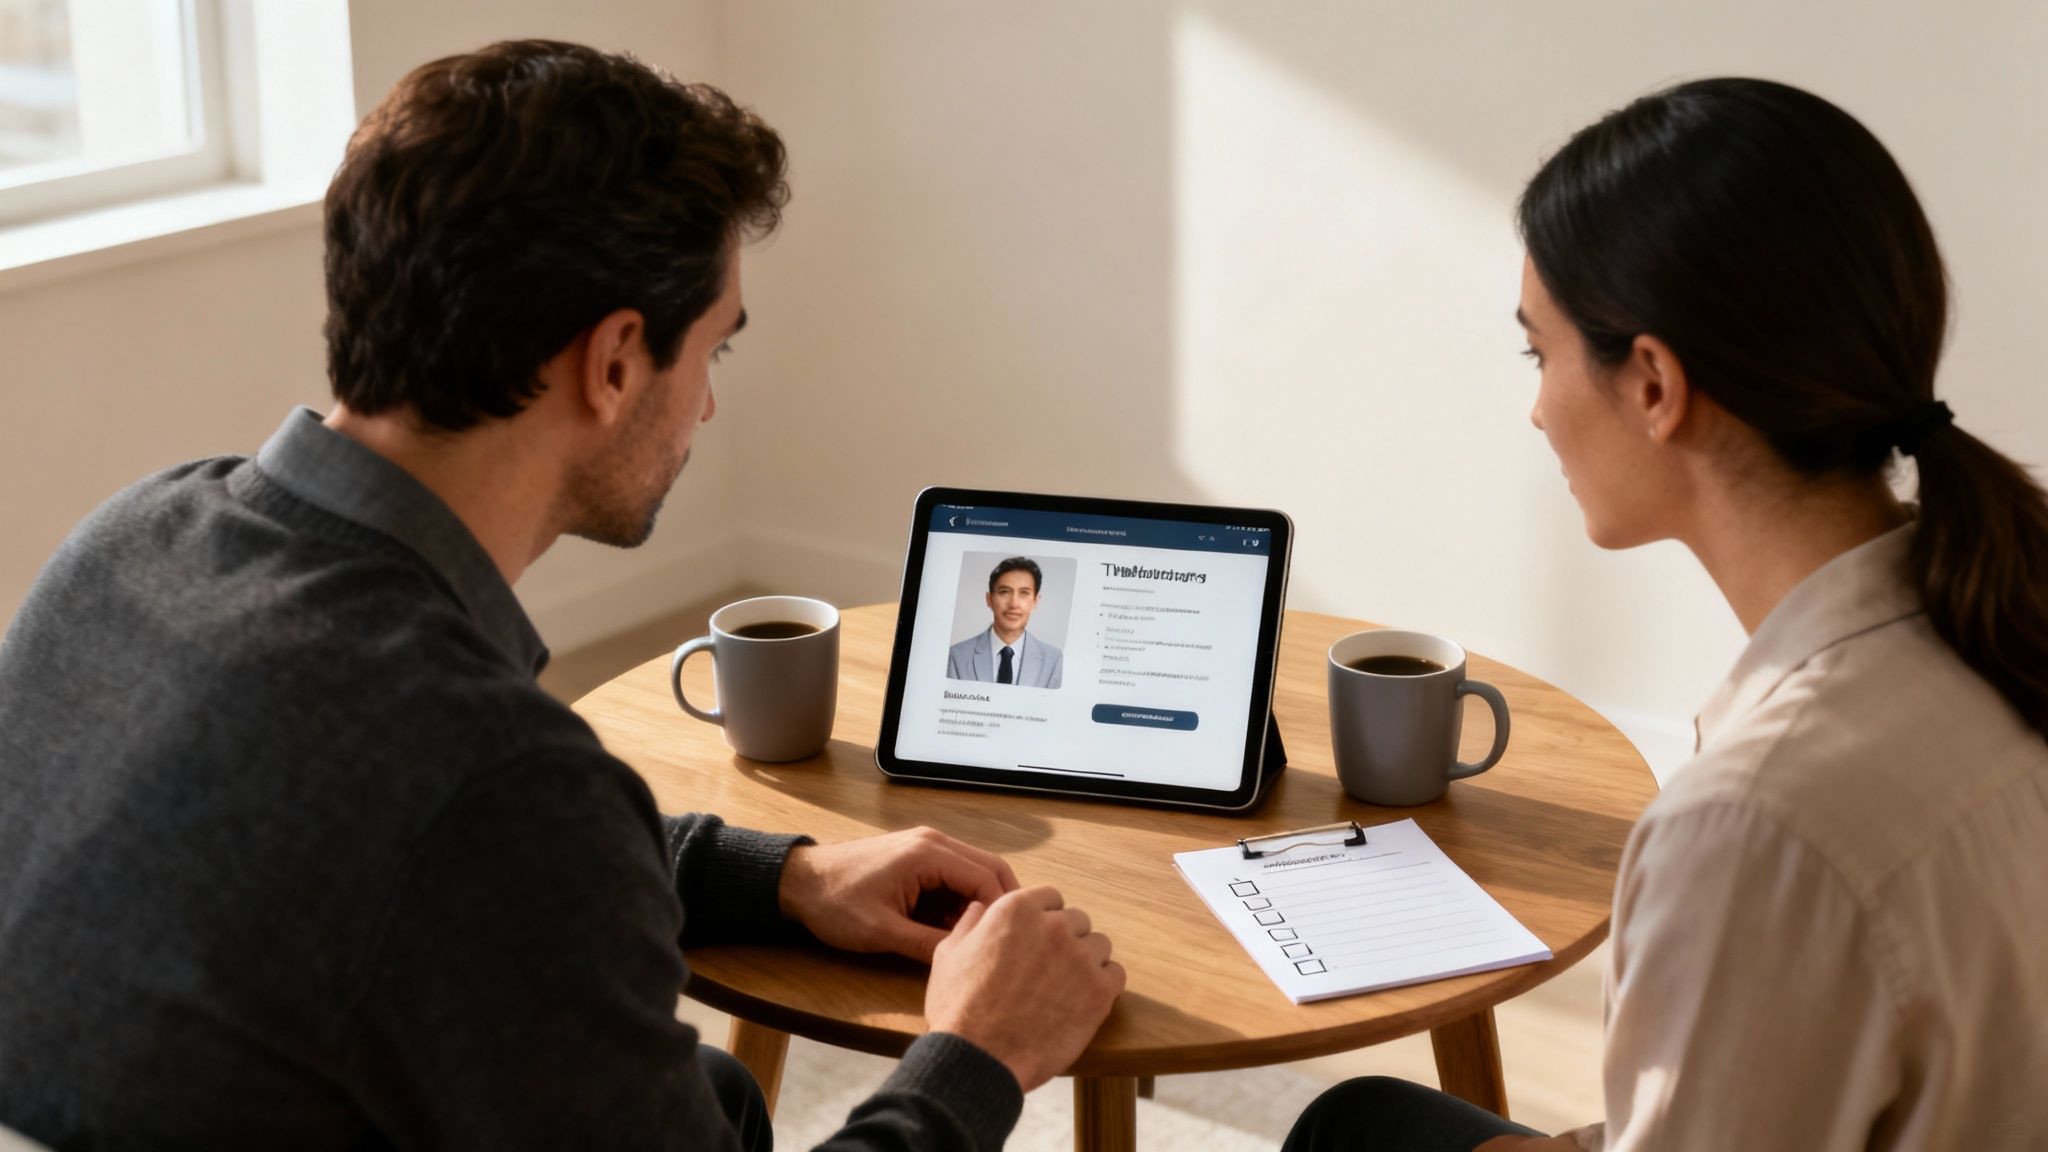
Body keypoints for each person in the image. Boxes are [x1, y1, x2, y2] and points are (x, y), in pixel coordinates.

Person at [0, 41, 1125, 1151]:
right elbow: (489, 832)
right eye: (713, 353)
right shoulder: (494, 777)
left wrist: (785, 878)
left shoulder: (127, 539)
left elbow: (421, 859)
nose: (706, 408)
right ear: (616, 361)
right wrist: (977, 1054)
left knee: (717, 1093)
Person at [1285, 77, 2048, 1151]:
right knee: (1366, 1123)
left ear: (1652, 383)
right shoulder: (2002, 621)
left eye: (1539, 353)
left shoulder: (1755, 822)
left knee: (1352, 1132)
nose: (1537, 408)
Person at [946, 557, 1065, 688]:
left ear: (1035, 601)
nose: (1014, 604)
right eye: (1004, 592)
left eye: (1024, 593)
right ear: (989, 599)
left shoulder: (1054, 660)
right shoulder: (957, 656)